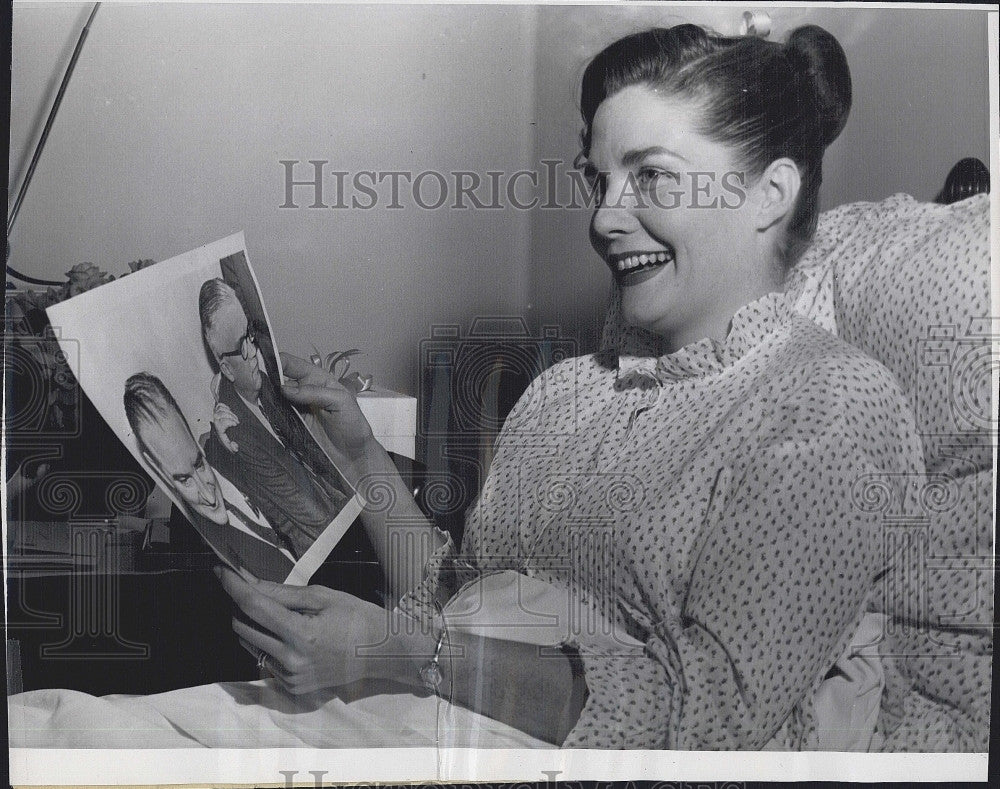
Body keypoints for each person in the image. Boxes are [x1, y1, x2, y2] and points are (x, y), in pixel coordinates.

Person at [217, 24, 925, 749]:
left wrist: (395, 653)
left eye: (650, 175)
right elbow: (452, 604)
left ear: (769, 193)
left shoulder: (830, 406)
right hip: (427, 718)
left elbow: (707, 717)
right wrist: (359, 454)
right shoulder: (565, 394)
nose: (604, 218)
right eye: (599, 179)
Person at [199, 278, 351, 559]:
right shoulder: (237, 434)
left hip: (338, 504)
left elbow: (309, 449)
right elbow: (315, 518)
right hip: (324, 551)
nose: (255, 352)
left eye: (250, 336)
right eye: (242, 346)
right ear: (226, 369)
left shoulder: (263, 385)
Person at [123, 372, 296, 582]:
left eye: (199, 465)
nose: (210, 497)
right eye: (184, 480)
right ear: (159, 472)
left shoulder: (228, 448)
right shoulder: (192, 547)